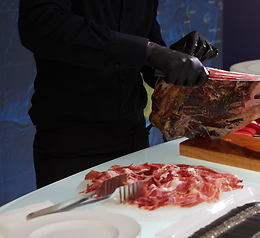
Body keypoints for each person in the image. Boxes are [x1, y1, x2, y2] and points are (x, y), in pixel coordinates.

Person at [18, 0, 218, 188]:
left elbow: (144, 59)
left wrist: (175, 58)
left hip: (134, 138)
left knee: (145, 219)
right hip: (71, 146)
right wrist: (149, 52)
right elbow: (41, 25)